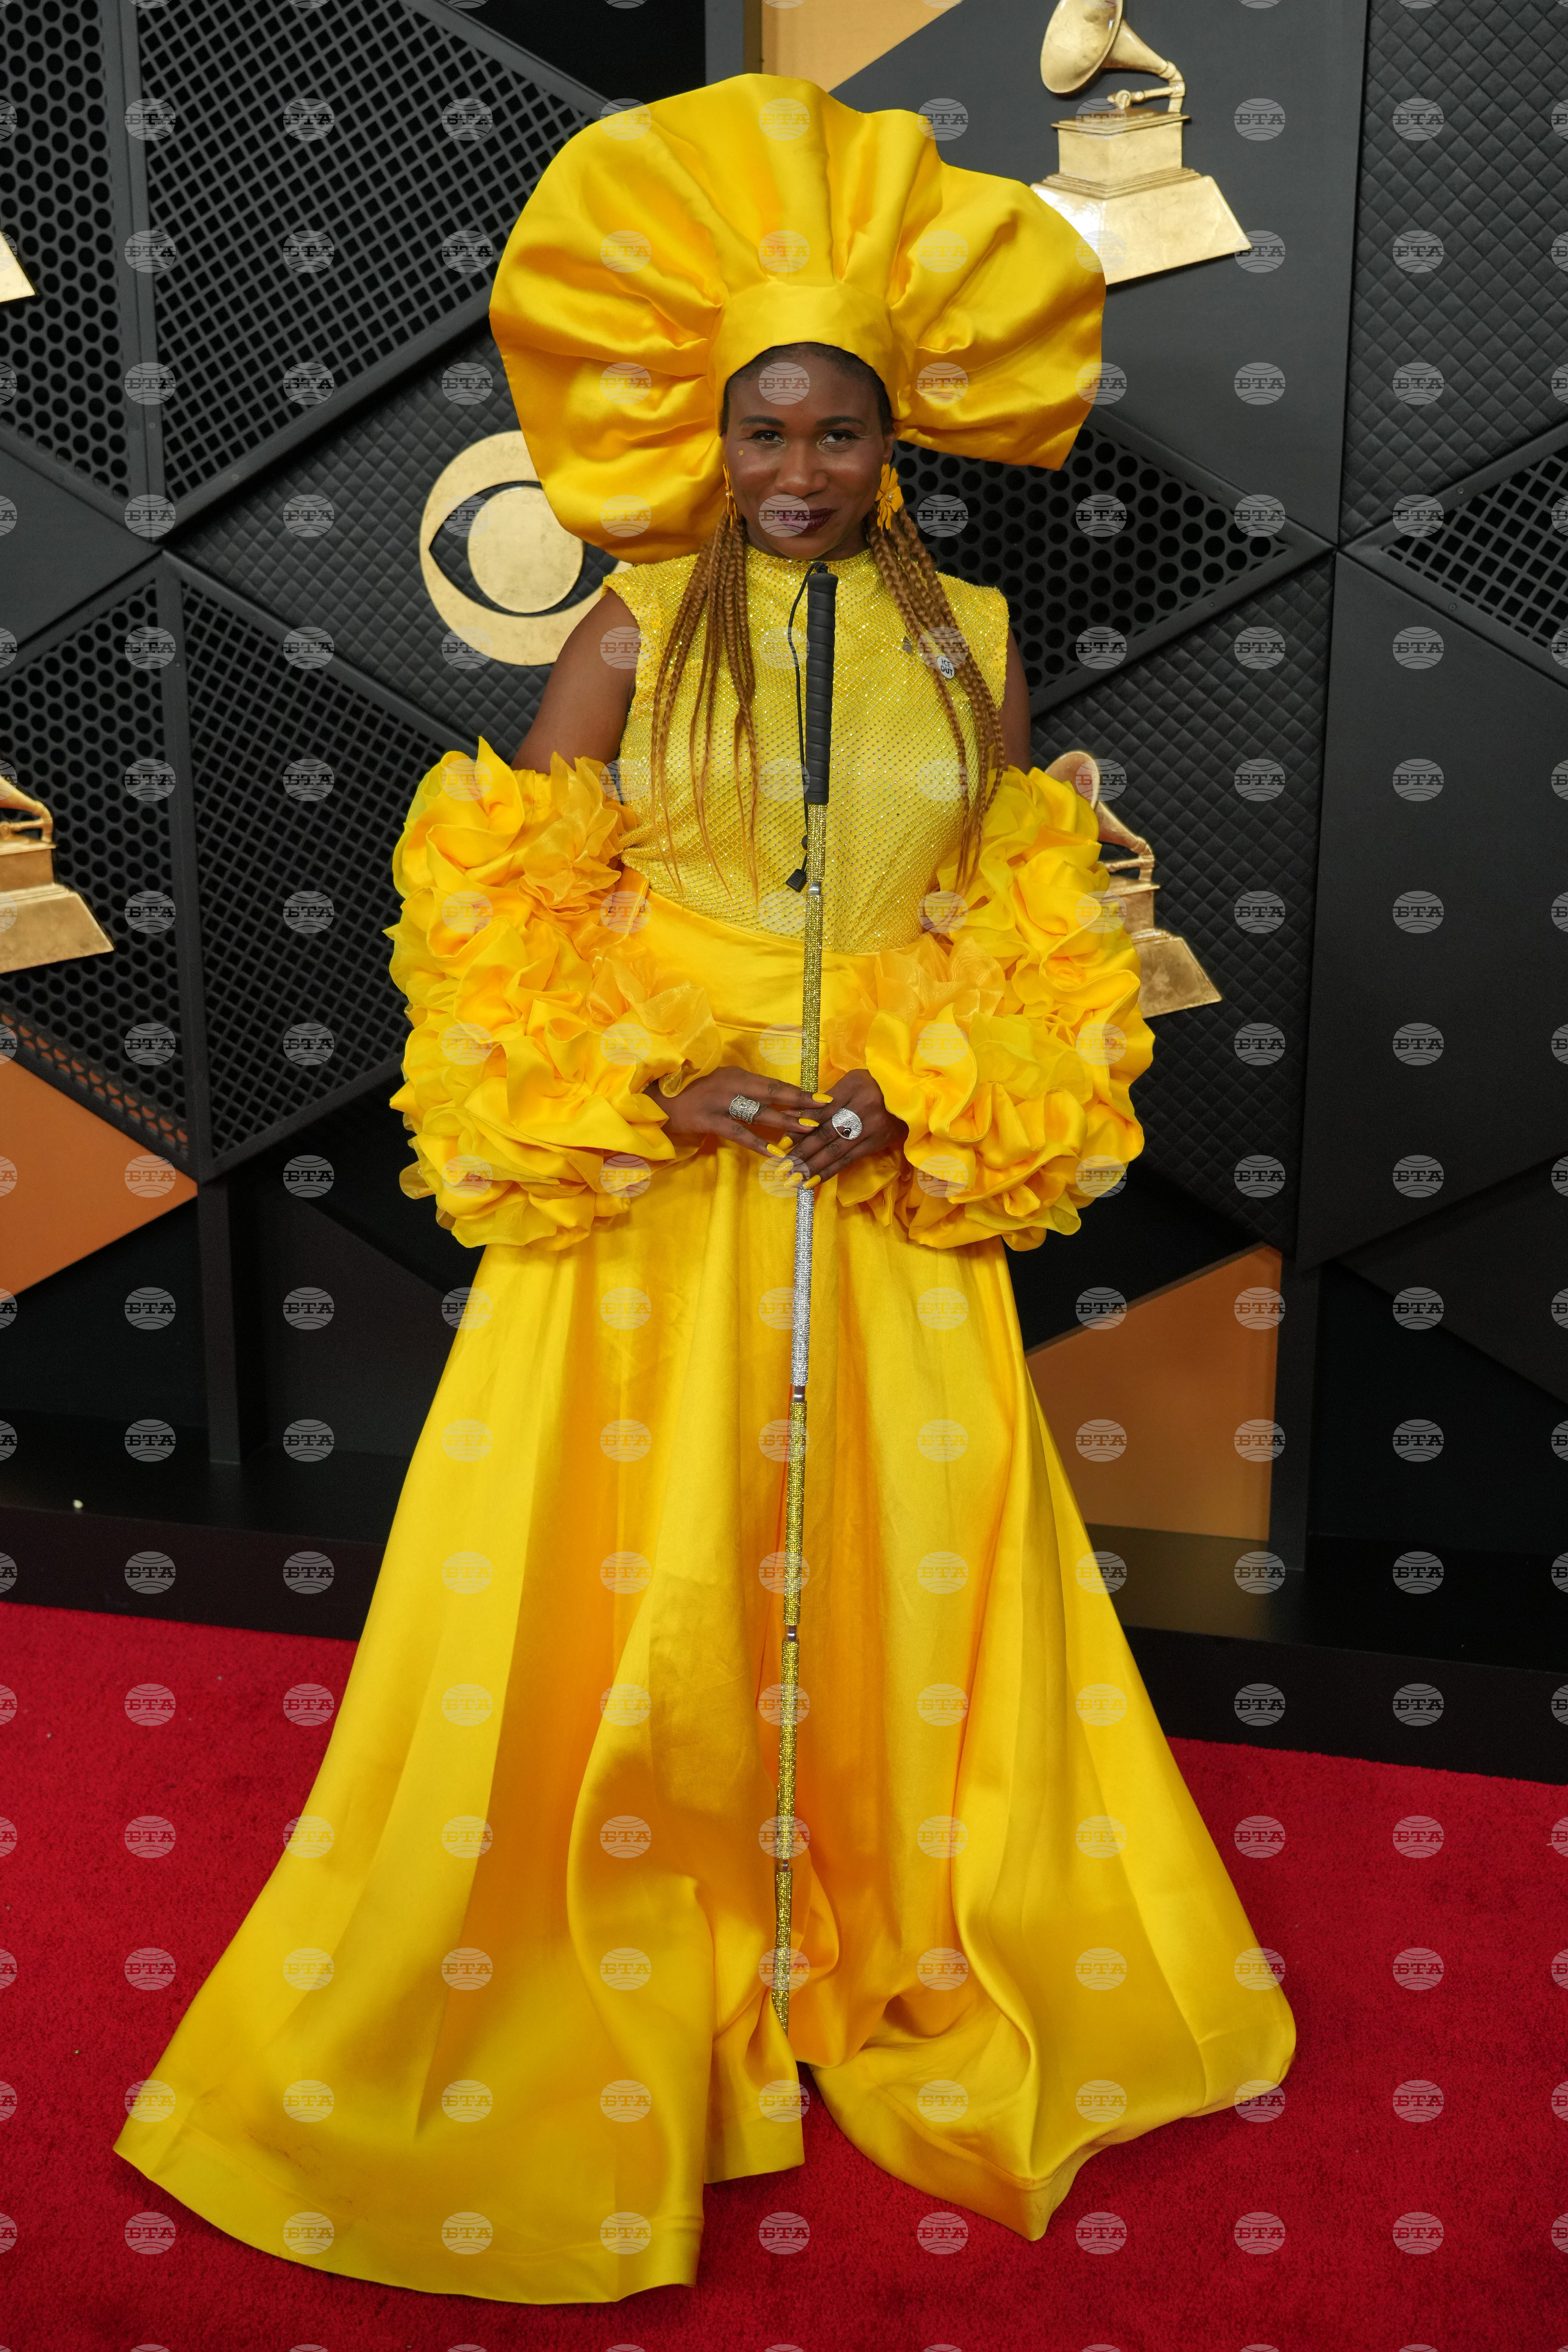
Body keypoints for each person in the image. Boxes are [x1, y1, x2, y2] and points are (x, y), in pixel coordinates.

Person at [113, 74, 1295, 2306]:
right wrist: (655, 1084)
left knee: (888, 1554)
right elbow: (502, 891)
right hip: (664, 1183)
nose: (799, 472)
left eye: (836, 432)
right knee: (622, 1569)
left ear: (895, 438)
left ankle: (884, 1918)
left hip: (874, 1195)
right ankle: (608, 1944)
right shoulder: (636, 625)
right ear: (711, 440)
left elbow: (1018, 918)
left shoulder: (973, 648)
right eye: (763, 433)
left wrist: (922, 1108)